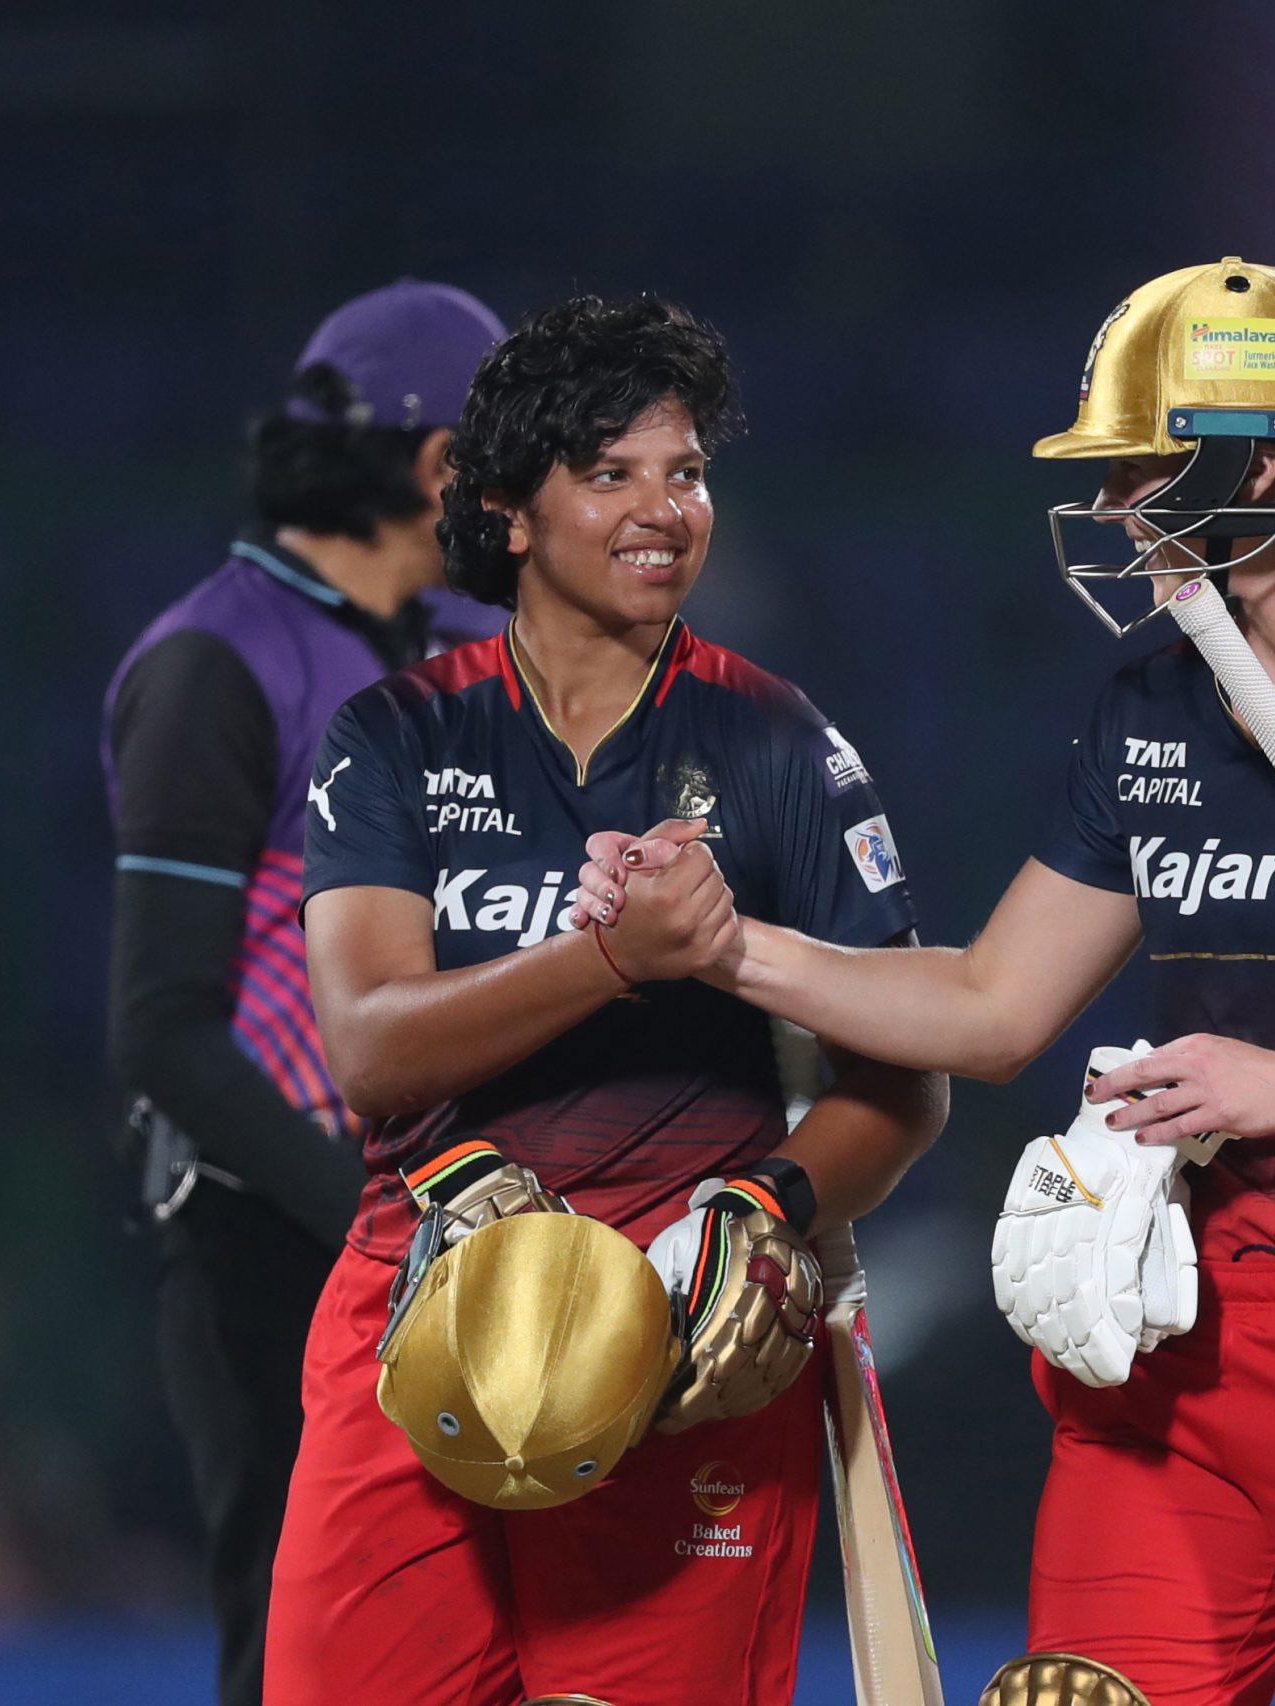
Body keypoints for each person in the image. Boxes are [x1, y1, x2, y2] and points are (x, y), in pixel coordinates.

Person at [583, 258, 1275, 1706]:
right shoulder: (1146, 704)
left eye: (1153, 463)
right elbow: (995, 1008)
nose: (1125, 504)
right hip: (1170, 1332)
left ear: (1269, 461)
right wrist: (726, 946)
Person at [267, 294, 949, 1706]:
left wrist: (769, 1212)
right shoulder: (396, 736)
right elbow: (367, 1045)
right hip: (422, 1316)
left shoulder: (778, 746)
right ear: (508, 510)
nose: (666, 508)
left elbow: (905, 1080)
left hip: (686, 1349)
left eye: (687, 472)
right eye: (613, 472)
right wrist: (609, 957)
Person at [100, 277, 505, 1706]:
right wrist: (388, 1230)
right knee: (299, 1651)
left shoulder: (437, 642)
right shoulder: (224, 658)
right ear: (436, 466)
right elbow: (161, 1025)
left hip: (436, 1225)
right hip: (278, 1239)